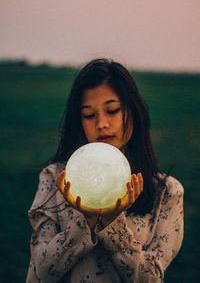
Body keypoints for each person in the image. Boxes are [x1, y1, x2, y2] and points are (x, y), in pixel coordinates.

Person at [26, 58, 184, 283]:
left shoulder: (166, 191)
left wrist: (112, 224)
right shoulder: (56, 179)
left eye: (112, 110)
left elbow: (150, 279)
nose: (101, 123)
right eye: (89, 115)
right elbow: (42, 272)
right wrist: (86, 221)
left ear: (133, 111)